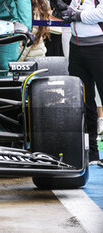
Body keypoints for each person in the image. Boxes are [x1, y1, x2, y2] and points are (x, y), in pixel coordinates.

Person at [57, 0, 103, 165]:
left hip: (99, 46)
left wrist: (76, 15)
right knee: (83, 100)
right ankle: (91, 151)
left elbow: (101, 13)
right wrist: (65, 10)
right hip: (76, 45)